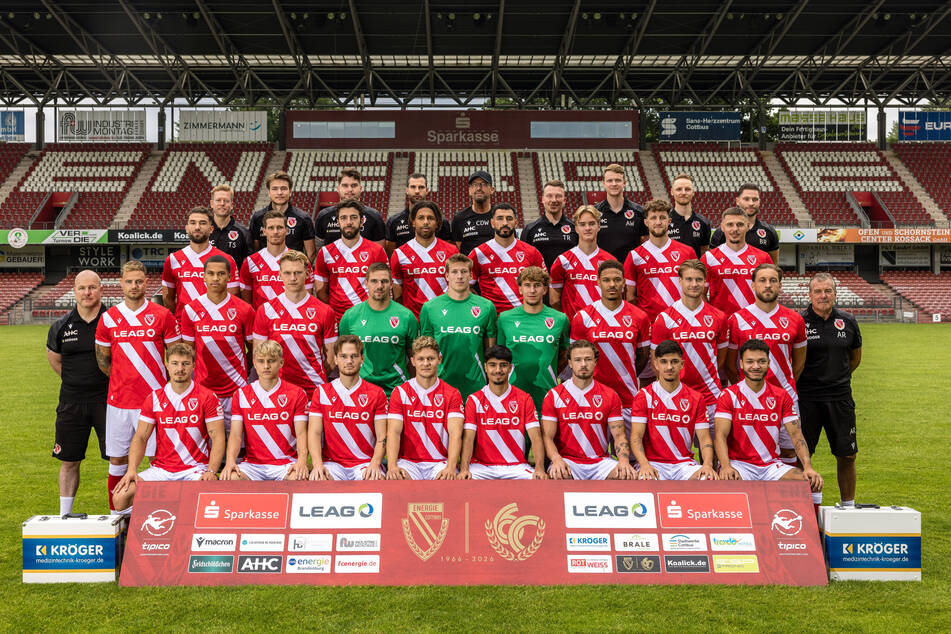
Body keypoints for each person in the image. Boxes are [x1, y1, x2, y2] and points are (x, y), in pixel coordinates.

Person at [95, 260, 179, 513]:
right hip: (119, 402)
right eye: (129, 281)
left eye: (139, 281)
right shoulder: (108, 318)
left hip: (155, 403)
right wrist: (124, 381)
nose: (134, 286)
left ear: (146, 283)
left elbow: (174, 357)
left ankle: (161, 513)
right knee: (118, 459)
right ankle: (116, 515)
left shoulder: (163, 315)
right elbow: (103, 361)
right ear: (121, 283)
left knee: (160, 461)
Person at [111, 343, 225, 511]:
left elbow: (218, 437)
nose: (180, 368)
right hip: (161, 470)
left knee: (204, 498)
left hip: (194, 470)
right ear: (166, 365)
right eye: (175, 363)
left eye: (185, 364)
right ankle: (140, 526)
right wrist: (132, 470)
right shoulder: (154, 398)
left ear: (193, 365)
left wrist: (211, 470)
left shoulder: (207, 397)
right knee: (120, 498)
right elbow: (141, 437)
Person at [714, 339, 823, 499]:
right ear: (741, 364)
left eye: (761, 361)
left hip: (771, 466)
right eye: (750, 361)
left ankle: (812, 525)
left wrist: (807, 467)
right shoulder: (729, 395)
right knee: (728, 481)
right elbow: (720, 436)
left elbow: (796, 435)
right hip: (739, 465)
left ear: (768, 363)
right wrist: (725, 466)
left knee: (811, 483)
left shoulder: (781, 395)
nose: (756, 366)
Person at [726, 263, 807, 466]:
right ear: (753, 285)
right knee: (749, 453)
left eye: (773, 281)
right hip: (747, 399)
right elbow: (730, 363)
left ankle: (783, 497)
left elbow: (798, 362)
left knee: (789, 451)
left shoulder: (795, 319)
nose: (767, 285)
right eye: (762, 280)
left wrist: (782, 385)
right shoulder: (737, 319)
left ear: (780, 286)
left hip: (785, 396)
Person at [46, 270, 109, 515]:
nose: (87, 292)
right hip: (71, 403)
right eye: (82, 288)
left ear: (101, 290)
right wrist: (76, 382)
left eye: (92, 287)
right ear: (74, 291)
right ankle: (64, 514)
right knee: (69, 460)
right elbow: (55, 360)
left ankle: (121, 515)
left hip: (107, 402)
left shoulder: (112, 321)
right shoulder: (61, 326)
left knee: (117, 461)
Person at [799, 272, 862, 506]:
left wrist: (839, 378)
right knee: (801, 456)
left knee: (847, 454)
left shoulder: (848, 321)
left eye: (828, 291)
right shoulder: (799, 321)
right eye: (818, 291)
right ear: (810, 294)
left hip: (840, 399)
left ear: (835, 293)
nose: (823, 296)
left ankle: (848, 506)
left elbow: (855, 358)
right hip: (806, 399)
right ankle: (800, 506)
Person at [569, 260, 651, 432]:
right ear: (598, 282)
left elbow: (643, 356)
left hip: (627, 397)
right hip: (591, 398)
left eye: (617, 279)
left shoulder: (639, 317)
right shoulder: (582, 317)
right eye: (606, 280)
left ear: (624, 282)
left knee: (630, 456)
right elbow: (576, 359)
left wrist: (627, 373)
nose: (612, 284)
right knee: (593, 456)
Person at [179, 255, 255, 431]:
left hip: (237, 390)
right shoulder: (191, 310)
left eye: (221, 274)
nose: (215, 278)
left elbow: (253, 351)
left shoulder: (244, 309)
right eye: (211, 273)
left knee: (238, 448)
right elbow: (189, 352)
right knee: (206, 448)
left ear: (229, 277)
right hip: (203, 390)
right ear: (203, 276)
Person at [541, 340, 635, 480]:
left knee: (627, 475)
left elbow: (619, 436)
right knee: (558, 474)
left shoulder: (610, 395)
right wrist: (556, 459)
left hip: (600, 462)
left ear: (595, 362)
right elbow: (547, 437)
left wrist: (624, 461)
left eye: (588, 359)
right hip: (568, 460)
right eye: (578, 360)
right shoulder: (554, 395)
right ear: (570, 363)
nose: (583, 364)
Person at [651, 259, 729, 425]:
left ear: (705, 282)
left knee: (712, 449)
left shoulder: (719, 317)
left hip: (711, 396)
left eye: (699, 280)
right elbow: (656, 362)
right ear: (680, 281)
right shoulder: (664, 319)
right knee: (675, 450)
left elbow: (721, 359)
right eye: (689, 279)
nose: (694, 284)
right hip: (675, 395)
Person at [252, 250, 337, 400]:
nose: (293, 278)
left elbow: (331, 357)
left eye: (298, 272)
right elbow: (259, 354)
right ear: (279, 275)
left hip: (314, 391)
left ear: (307, 274)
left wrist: (315, 375)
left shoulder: (325, 311)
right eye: (287, 273)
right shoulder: (266, 310)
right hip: (276, 391)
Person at [221, 341, 310, 481]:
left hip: (285, 464)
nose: (266, 366)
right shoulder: (241, 394)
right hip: (253, 465)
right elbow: (236, 435)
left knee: (298, 478)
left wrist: (301, 461)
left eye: (271, 361)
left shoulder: (297, 393)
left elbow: (301, 434)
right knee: (230, 478)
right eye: (261, 361)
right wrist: (230, 461)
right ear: (254, 364)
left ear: (281, 363)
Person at [629, 340, 717, 481]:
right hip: (653, 463)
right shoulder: (644, 395)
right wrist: (644, 464)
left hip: (684, 465)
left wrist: (707, 465)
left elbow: (705, 439)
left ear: (682, 364)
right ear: (656, 364)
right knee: (645, 478)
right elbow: (636, 437)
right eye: (664, 362)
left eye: (674, 361)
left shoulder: (696, 398)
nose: (669, 367)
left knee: (707, 478)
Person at [458, 346, 547, 480]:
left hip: (517, 466)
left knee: (539, 481)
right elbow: (468, 439)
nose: (498, 370)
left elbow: (536, 438)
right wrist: (464, 468)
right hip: (481, 467)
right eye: (493, 365)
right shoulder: (474, 400)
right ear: (485, 367)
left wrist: (540, 469)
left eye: (503, 365)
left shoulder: (524, 399)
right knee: (463, 480)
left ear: (510, 368)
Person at [308, 336, 389, 481]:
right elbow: (314, 433)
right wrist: (317, 465)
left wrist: (375, 463)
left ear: (362, 359)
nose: (349, 361)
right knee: (319, 479)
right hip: (332, 464)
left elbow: (382, 437)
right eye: (343, 356)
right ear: (336, 359)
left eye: (354, 356)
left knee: (375, 480)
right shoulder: (322, 392)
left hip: (365, 463)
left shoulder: (376, 393)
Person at [419, 254, 498, 401]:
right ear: (447, 276)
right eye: (455, 272)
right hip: (440, 385)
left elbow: (490, 352)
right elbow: (426, 351)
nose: (459, 276)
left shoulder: (486, 307)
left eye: (464, 272)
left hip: (476, 386)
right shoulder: (430, 308)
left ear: (471, 275)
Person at [385, 337, 465, 480]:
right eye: (421, 359)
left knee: (448, 481)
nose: (426, 363)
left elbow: (455, 434)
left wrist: (451, 468)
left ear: (439, 359)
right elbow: (393, 433)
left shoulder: (452, 394)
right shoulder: (401, 392)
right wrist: (392, 467)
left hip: (440, 462)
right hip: (409, 462)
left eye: (430, 358)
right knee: (396, 479)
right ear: (413, 361)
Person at [338, 263, 418, 396]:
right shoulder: (350, 317)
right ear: (366, 283)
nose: (380, 286)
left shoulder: (407, 317)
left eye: (384, 281)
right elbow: (342, 359)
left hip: (396, 391)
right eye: (374, 281)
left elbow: (415, 359)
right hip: (361, 391)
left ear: (391, 284)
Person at [496, 267, 569, 412]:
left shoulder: (560, 319)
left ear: (545, 289)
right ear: (520, 289)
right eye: (527, 285)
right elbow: (499, 357)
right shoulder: (505, 318)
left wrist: (547, 370)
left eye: (537, 285)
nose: (532, 290)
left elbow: (564, 355)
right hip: (512, 395)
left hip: (547, 394)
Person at [313, 199, 388, 321]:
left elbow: (385, 287)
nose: (349, 222)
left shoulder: (377, 251)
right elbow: (321, 291)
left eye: (353, 217)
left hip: (369, 317)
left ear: (362, 220)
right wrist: (333, 314)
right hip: (337, 318)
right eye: (343, 218)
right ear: (337, 222)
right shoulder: (325, 252)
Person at [623, 198, 696, 322]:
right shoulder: (634, 256)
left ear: (669, 221)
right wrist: (642, 321)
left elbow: (695, 291)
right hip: (649, 324)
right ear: (646, 222)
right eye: (653, 218)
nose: (658, 222)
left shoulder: (687, 252)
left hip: (682, 321)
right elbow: (630, 297)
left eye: (662, 218)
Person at [161, 206, 238, 321]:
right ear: (187, 228)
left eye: (202, 223)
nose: (197, 227)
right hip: (183, 325)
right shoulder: (173, 259)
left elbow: (233, 296)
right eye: (193, 223)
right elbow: (168, 298)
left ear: (211, 228)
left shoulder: (226, 259)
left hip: (215, 325)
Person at [469, 202, 546, 314]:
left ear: (516, 223)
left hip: (524, 316)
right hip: (491, 317)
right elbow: (464, 286)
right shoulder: (479, 253)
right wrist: (482, 304)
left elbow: (544, 285)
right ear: (492, 223)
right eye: (500, 218)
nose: (505, 223)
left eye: (509, 218)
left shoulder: (531, 252)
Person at [391, 200, 459, 318]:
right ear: (413, 222)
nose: (426, 222)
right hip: (412, 318)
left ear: (437, 222)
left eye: (430, 218)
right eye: (421, 218)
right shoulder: (400, 253)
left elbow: (457, 286)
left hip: (444, 317)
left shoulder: (452, 251)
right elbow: (397, 290)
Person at [703, 207, 773, 316]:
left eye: (740, 224)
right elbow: (701, 295)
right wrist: (714, 317)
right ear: (722, 227)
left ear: (748, 226)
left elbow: (771, 293)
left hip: (753, 323)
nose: (735, 229)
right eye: (730, 224)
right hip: (722, 323)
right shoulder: (709, 258)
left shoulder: (763, 258)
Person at [549, 204, 616, 317]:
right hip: (573, 325)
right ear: (576, 228)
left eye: (591, 223)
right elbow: (554, 300)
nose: (587, 228)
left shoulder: (610, 261)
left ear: (599, 226)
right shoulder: (563, 260)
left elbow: (616, 297)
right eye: (582, 224)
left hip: (602, 325)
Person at [239, 210, 312, 309]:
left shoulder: (300, 261)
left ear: (287, 230)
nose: (275, 232)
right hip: (262, 321)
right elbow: (246, 302)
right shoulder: (250, 262)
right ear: (264, 231)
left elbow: (307, 298)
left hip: (290, 321)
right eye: (271, 228)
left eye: (279, 227)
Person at [248, 170, 316, 261]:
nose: (279, 193)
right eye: (275, 189)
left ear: (290, 192)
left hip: (292, 272)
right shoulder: (258, 217)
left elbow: (310, 253)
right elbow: (254, 251)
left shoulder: (303, 218)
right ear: (268, 192)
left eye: (283, 188)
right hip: (265, 271)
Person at [314, 167, 386, 246]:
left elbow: (379, 250)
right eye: (345, 185)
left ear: (360, 188)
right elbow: (319, 248)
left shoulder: (374, 216)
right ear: (338, 189)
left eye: (354, 185)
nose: (350, 189)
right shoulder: (323, 216)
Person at [710, 184, 780, 263]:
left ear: (759, 202)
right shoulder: (721, 232)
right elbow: (712, 261)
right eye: (746, 199)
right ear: (737, 201)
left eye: (755, 199)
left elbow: (773, 266)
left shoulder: (769, 232)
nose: (751, 203)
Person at [384, 173, 452, 254]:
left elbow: (447, 251)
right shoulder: (394, 221)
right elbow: (391, 253)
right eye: (413, 187)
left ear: (427, 190)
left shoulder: (441, 221)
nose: (417, 191)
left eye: (421, 187)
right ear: (407, 190)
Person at [595, 163, 647, 261]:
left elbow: (646, 242)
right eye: (610, 180)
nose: (614, 184)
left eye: (618, 180)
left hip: (631, 270)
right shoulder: (595, 213)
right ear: (603, 183)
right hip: (602, 271)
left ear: (624, 182)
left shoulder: (639, 212)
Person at [521, 179, 577, 269]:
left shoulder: (575, 228)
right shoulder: (530, 229)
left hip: (568, 282)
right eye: (549, 196)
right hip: (540, 282)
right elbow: (523, 261)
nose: (554, 200)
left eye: (558, 196)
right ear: (542, 199)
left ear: (564, 200)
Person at [208, 184, 254, 269]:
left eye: (226, 201)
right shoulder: (204, 231)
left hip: (235, 282)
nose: (222, 204)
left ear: (232, 204)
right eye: (218, 200)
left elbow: (249, 265)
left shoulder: (244, 233)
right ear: (211, 204)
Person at [666, 173, 711, 259]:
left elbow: (703, 254)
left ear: (693, 192)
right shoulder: (664, 222)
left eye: (687, 189)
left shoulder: (703, 223)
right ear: (672, 192)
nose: (683, 193)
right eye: (679, 189)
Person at [452, 170, 496, 255]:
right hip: (470, 267)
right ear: (470, 190)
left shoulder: (500, 216)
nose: (479, 188)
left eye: (483, 184)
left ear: (492, 189)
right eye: (475, 185)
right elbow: (457, 248)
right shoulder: (459, 218)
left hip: (496, 266)